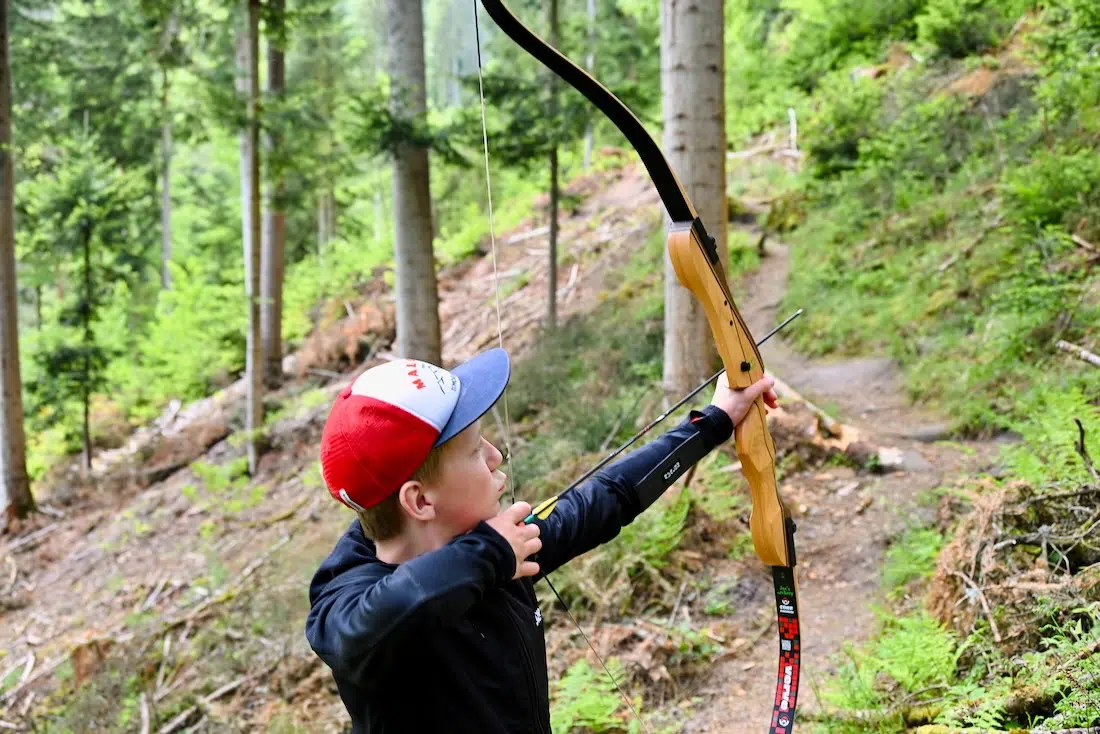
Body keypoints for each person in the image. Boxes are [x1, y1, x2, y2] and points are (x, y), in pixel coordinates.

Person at [304, 347, 777, 733]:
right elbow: (368, 626)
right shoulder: (350, 608)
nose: (495, 455)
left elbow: (605, 499)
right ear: (420, 501)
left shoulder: (496, 543)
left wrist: (715, 420)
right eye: (473, 451)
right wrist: (489, 554)